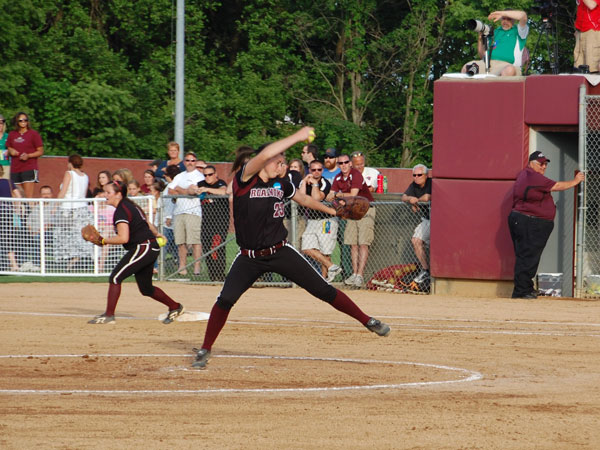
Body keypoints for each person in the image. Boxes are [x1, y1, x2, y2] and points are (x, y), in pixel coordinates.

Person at [191, 127, 391, 369]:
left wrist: (332, 211)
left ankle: (367, 320)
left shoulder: (281, 184)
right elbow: (266, 155)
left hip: (280, 251)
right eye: (279, 161)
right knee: (225, 300)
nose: (282, 165)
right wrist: (298, 136)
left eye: (284, 162)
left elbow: (304, 199)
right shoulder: (245, 179)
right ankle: (205, 348)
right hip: (249, 257)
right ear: (264, 160)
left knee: (323, 290)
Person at [88, 181, 185, 324]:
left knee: (115, 277)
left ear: (118, 194)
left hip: (143, 247)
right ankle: (175, 307)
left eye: (108, 192)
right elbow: (146, 223)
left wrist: (103, 241)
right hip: (149, 246)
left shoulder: (122, 210)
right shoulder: (130, 205)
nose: (105, 195)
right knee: (146, 288)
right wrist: (157, 234)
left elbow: (123, 238)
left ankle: (109, 315)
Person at [508, 151, 585, 299]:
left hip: (524, 219)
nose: (544, 166)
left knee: (525, 255)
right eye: (540, 163)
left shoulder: (525, 174)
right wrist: (575, 181)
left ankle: (524, 288)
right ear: (531, 163)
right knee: (528, 256)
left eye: (545, 164)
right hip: (530, 221)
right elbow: (557, 186)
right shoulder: (532, 176)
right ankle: (522, 291)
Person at [327, 153, 375, 287]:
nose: (343, 165)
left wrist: (337, 195)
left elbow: (353, 194)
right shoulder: (338, 177)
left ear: (350, 163)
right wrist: (334, 196)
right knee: (353, 244)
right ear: (338, 165)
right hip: (351, 212)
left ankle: (360, 275)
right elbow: (329, 195)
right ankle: (354, 274)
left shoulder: (356, 174)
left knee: (363, 243)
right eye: (340, 163)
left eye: (345, 162)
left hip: (365, 209)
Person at [300, 160, 342, 282]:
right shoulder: (306, 182)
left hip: (326, 220)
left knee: (325, 251)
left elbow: (316, 198)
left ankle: (324, 279)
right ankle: (331, 267)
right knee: (306, 248)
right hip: (313, 220)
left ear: (322, 170)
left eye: (319, 169)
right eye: (313, 170)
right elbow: (302, 198)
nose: (316, 172)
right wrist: (304, 182)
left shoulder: (324, 183)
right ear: (309, 170)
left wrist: (314, 184)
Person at [188, 165, 229, 281]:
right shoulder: (201, 183)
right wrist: (194, 190)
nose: (207, 177)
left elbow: (224, 191)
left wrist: (207, 190)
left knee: (217, 248)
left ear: (215, 174)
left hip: (220, 223)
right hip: (206, 223)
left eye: (210, 174)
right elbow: (190, 189)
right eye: (205, 175)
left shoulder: (220, 183)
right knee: (207, 249)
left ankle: (220, 275)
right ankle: (212, 275)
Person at [167, 151, 204, 275]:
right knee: (181, 242)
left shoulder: (199, 176)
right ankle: (182, 267)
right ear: (184, 162)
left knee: (194, 240)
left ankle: (196, 267)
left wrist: (179, 189)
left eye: (192, 161)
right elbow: (170, 191)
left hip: (193, 211)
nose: (190, 163)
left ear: (196, 162)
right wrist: (185, 191)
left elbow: (194, 191)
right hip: (179, 211)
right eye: (188, 160)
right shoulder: (180, 176)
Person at [461, 10, 528, 76]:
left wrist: (502, 13)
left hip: (507, 65)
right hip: (488, 64)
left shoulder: (519, 32)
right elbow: (482, 56)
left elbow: (523, 16)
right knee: (466, 68)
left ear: (514, 20)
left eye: (509, 19)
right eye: (503, 18)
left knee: (509, 70)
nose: (505, 21)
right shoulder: (494, 32)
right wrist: (480, 39)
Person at [55, 154, 91, 269]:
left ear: (70, 163)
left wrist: (55, 206)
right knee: (77, 234)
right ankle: (74, 258)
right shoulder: (85, 176)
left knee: (64, 234)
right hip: (82, 208)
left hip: (68, 208)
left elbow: (63, 191)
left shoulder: (69, 173)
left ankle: (71, 258)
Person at [402, 164, 432, 285]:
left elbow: (428, 196)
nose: (416, 177)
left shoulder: (431, 182)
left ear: (426, 175)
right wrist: (410, 199)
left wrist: (417, 200)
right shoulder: (413, 185)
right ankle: (426, 271)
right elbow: (403, 197)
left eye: (419, 175)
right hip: (427, 220)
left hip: (440, 220)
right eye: (414, 175)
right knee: (416, 240)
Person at [6, 112, 44, 198]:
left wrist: (28, 155)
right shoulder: (12, 134)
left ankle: (28, 210)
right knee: (16, 195)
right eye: (20, 120)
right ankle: (18, 211)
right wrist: (11, 151)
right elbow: (8, 147)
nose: (23, 122)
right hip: (15, 168)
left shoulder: (33, 134)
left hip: (28, 167)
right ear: (17, 122)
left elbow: (40, 151)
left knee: (27, 196)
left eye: (25, 120)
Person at [0, 165, 20, 271]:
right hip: (7, 212)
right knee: (8, 238)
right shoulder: (9, 182)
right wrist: (17, 208)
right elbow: (18, 196)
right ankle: (14, 264)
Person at [574, 0, 600, 73]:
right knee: (578, 68)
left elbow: (591, 5)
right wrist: (577, 29)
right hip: (580, 31)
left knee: (592, 67)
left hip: (592, 30)